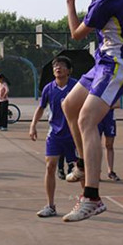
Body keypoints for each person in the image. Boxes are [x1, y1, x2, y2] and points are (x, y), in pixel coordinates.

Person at [40, 0, 123, 222]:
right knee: (70, 105)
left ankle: (92, 197)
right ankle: (82, 163)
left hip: (117, 64)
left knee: (86, 119)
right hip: (102, 61)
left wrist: (70, 0)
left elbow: (76, 33)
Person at [29, 56, 78, 217]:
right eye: (56, 66)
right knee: (50, 166)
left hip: (73, 134)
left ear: (69, 70)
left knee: (80, 169)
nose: (58, 68)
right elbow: (41, 107)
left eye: (62, 65)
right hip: (55, 134)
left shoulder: (76, 86)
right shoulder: (48, 88)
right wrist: (33, 125)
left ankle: (87, 201)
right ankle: (50, 205)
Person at [100, 108, 120, 181]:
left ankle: (110, 171)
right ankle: (96, 171)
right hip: (97, 116)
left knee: (109, 145)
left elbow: (117, 104)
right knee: (96, 146)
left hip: (109, 116)